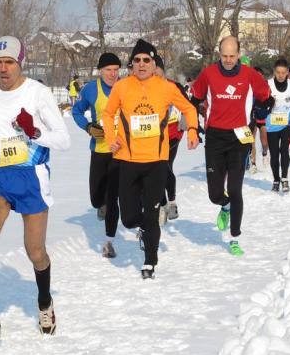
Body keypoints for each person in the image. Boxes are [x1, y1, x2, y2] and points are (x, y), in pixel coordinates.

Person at [0, 36, 70, 346]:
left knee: (34, 251)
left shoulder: (37, 93)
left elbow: (63, 139)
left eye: (9, 62)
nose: (3, 68)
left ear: (20, 63)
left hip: (31, 179)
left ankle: (44, 302)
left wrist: (35, 131)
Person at [102, 39, 199, 279]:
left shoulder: (166, 87)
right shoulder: (122, 87)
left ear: (153, 63)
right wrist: (111, 136)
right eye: (137, 60)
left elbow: (189, 109)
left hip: (156, 161)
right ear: (132, 64)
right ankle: (143, 228)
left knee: (152, 211)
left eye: (146, 60)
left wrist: (194, 130)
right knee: (129, 218)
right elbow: (107, 113)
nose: (142, 64)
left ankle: (150, 263)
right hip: (128, 160)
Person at [190, 36, 270, 256]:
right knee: (215, 194)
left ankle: (234, 237)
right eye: (224, 56)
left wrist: (265, 106)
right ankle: (224, 206)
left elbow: (265, 96)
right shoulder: (208, 74)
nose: (227, 60)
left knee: (235, 189)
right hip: (215, 137)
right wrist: (193, 126)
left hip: (238, 137)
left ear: (238, 54)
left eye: (232, 56)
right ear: (219, 54)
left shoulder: (250, 74)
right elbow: (194, 98)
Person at [72, 52, 122, 258]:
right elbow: (76, 111)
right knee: (96, 198)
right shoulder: (91, 89)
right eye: (108, 70)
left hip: (121, 151)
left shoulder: (126, 87)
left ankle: (109, 241)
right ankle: (101, 204)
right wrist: (88, 127)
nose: (112, 73)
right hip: (99, 149)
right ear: (100, 71)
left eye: (116, 69)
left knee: (113, 199)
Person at [154, 54, 189, 224]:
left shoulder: (174, 86)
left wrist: (187, 125)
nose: (155, 76)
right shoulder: (146, 88)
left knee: (165, 166)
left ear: (163, 71)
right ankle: (162, 204)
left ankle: (172, 201)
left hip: (173, 134)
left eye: (158, 72)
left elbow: (187, 107)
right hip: (153, 136)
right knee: (157, 169)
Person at [259, 58, 290, 192]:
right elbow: (261, 102)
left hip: (288, 122)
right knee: (274, 153)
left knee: (284, 149)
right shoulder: (267, 84)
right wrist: (268, 103)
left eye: (283, 72)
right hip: (272, 123)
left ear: (287, 72)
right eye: (278, 72)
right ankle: (276, 179)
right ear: (274, 72)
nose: (281, 75)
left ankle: (285, 179)